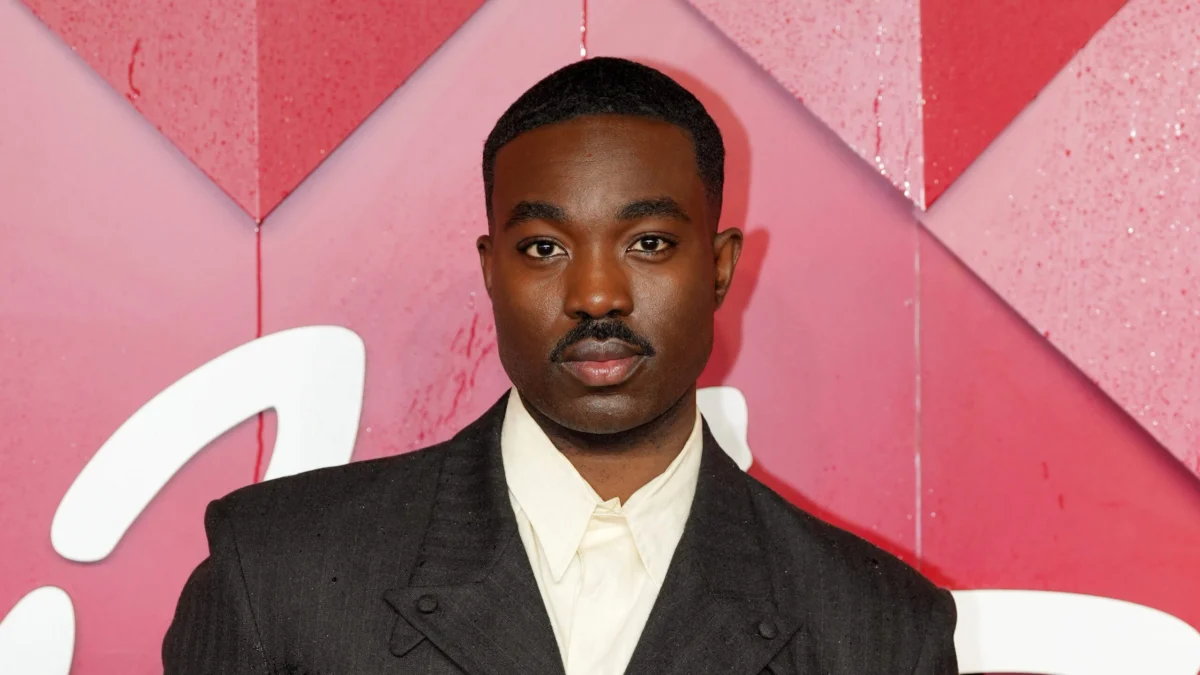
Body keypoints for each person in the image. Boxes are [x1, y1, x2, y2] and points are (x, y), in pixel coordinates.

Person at [163, 57, 957, 675]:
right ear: (491, 270)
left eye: (649, 242)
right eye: (544, 248)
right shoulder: (275, 573)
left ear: (718, 268)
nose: (596, 294)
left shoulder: (879, 631)